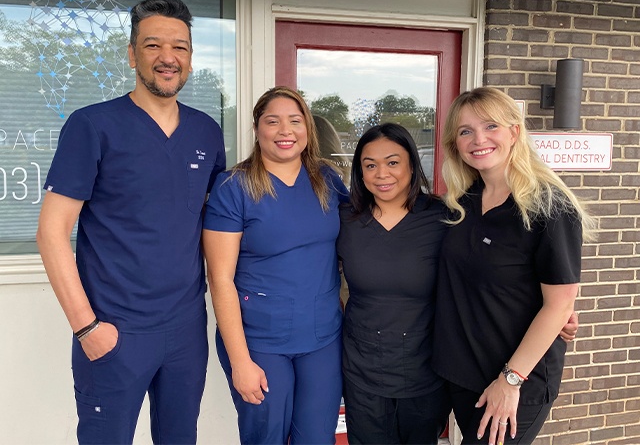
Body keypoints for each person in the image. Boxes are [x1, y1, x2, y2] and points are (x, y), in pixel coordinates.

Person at [36, 0, 226, 444]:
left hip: (185, 329)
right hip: (114, 329)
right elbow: (51, 231)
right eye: (153, 45)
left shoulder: (206, 131)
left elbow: (218, 225)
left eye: (179, 47)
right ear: (131, 54)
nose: (168, 58)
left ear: (191, 58)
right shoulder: (93, 125)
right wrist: (86, 327)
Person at [432, 87, 594, 445]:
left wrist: (510, 380)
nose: (479, 139)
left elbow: (560, 304)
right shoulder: (461, 203)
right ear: (454, 143)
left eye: (491, 126)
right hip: (463, 372)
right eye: (465, 131)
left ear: (514, 132)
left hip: (516, 380)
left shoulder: (550, 207)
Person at [202, 86, 349, 444]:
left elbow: (364, 234)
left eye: (295, 121)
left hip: (322, 337)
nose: (286, 131)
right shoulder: (233, 187)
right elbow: (220, 279)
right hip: (260, 341)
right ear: (257, 129)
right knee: (266, 436)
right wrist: (240, 361)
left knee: (316, 438)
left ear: (307, 129)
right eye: (273, 121)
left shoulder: (326, 180)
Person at [337, 123, 451, 444]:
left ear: (412, 165)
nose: (381, 174)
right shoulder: (345, 218)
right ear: (360, 172)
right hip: (363, 374)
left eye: (392, 162)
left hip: (424, 374)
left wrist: (553, 308)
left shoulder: (442, 218)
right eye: (370, 165)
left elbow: (482, 274)